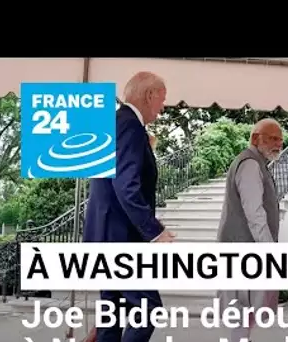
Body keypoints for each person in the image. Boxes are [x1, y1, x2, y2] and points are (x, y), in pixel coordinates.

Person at [83, 71, 175, 342]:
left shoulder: (115, 122)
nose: (163, 106)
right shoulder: (130, 126)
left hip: (105, 235)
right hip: (119, 239)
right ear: (149, 95)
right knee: (148, 311)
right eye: (162, 99)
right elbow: (126, 186)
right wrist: (154, 231)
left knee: (111, 314)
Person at [217, 118, 283, 342]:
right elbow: (254, 212)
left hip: (245, 248)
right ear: (256, 138)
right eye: (273, 138)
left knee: (246, 309)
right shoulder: (250, 164)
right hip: (243, 248)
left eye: (280, 139)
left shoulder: (256, 163)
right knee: (243, 306)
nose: (278, 144)